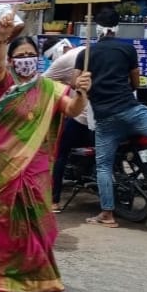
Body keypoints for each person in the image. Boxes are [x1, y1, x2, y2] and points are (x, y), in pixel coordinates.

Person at [0, 21, 91, 292]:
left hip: (36, 167)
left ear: (39, 58)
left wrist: (81, 92)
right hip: (1, 166)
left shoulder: (51, 89)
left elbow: (72, 110)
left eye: (30, 55)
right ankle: (0, 277)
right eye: (19, 56)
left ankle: (31, 277)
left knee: (34, 223)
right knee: (2, 223)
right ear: (11, 61)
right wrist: (1, 40)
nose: (25, 60)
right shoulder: (5, 86)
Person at [76, 7, 147, 228]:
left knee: (103, 167)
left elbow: (76, 83)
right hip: (131, 111)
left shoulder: (85, 54)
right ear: (117, 27)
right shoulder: (127, 49)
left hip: (105, 118)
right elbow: (136, 82)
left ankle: (107, 215)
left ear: (96, 28)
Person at [43, 43, 95, 209]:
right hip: (112, 115)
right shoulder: (86, 51)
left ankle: (54, 200)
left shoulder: (65, 59)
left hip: (85, 117)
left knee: (59, 150)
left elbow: (40, 85)